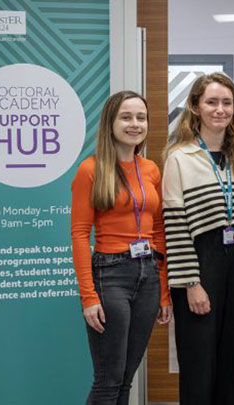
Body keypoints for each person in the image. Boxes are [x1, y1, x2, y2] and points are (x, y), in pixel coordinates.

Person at [162, 73, 234, 404]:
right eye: (212, 102)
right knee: (199, 362)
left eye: (227, 103)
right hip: (201, 266)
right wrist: (191, 283)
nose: (220, 109)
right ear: (195, 107)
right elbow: (175, 225)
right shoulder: (180, 157)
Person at [70, 90, 172, 404]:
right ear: (110, 123)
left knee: (127, 378)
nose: (135, 124)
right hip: (110, 275)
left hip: (148, 278)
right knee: (108, 380)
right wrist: (88, 296)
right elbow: (79, 233)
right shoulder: (90, 170)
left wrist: (164, 290)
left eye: (141, 117)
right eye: (126, 117)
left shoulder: (151, 169)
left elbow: (158, 230)